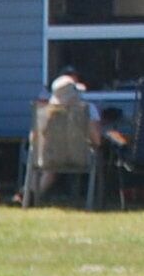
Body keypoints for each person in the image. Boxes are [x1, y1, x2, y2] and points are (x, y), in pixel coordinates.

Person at [22, 72, 97, 207]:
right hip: (79, 158)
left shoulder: (43, 112)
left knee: (48, 168)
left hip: (47, 158)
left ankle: (27, 196)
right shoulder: (87, 109)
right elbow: (97, 140)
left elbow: (33, 138)